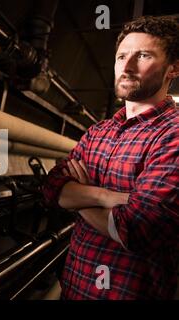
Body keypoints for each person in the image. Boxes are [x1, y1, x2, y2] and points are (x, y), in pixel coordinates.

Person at [43, 15, 178, 299]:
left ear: (173, 69)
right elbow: (52, 187)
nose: (126, 67)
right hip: (75, 287)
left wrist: (79, 199)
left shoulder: (173, 133)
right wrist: (107, 197)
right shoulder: (97, 132)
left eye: (142, 56)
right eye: (121, 57)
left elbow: (138, 228)